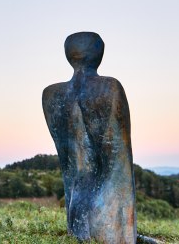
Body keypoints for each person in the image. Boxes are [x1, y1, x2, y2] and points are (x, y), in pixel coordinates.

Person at [42, 32, 136, 243]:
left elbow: (69, 164)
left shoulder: (50, 94)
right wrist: (126, 233)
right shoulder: (109, 88)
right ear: (99, 54)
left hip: (76, 208)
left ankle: (77, 231)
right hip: (106, 215)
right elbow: (120, 163)